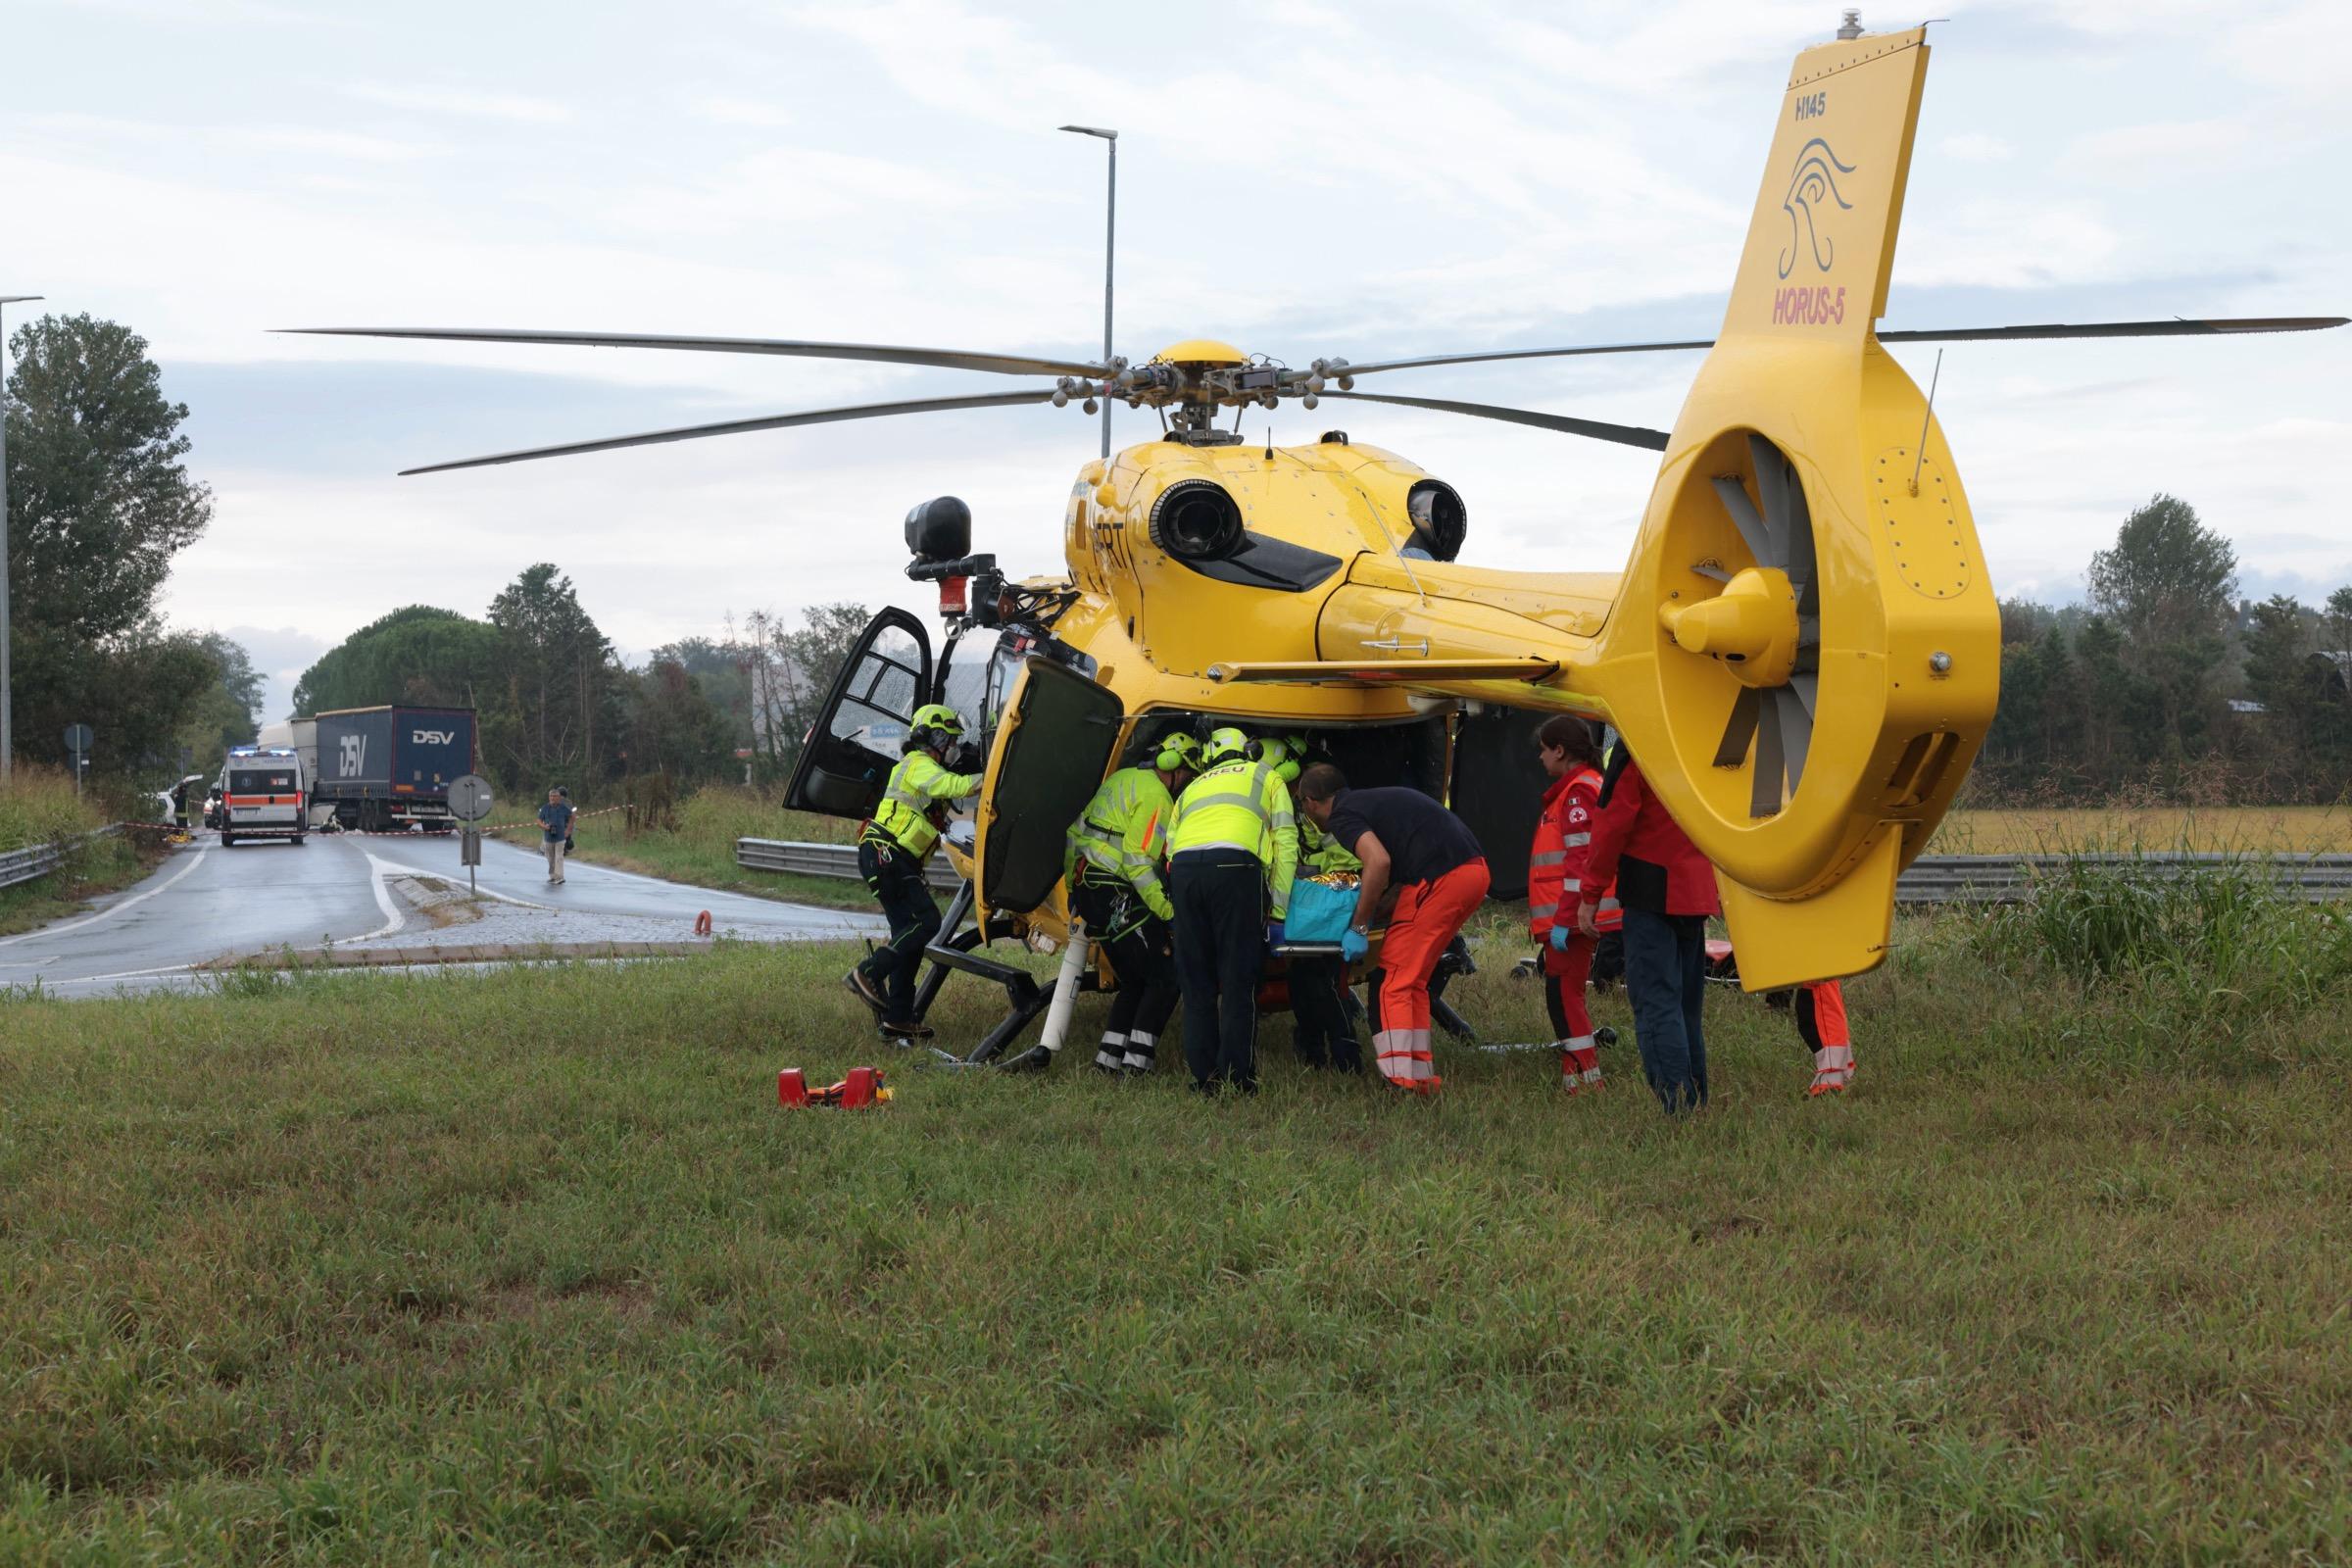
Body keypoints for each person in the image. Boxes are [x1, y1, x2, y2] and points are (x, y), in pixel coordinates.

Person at [1297, 764, 1489, 1097]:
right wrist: (1370, 913)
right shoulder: (1374, 803)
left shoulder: (1343, 816)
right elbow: (1397, 881)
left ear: (1310, 802)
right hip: (1472, 872)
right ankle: (1419, 1075)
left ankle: (1399, 1082)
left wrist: (1357, 925)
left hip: (1440, 878)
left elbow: (1379, 863)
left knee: (1391, 982)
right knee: (1412, 981)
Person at [1575, 743, 1718, 1114]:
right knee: (1686, 1007)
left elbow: (1611, 823)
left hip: (1652, 892)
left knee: (1656, 1003)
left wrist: (1590, 893)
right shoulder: (1702, 735)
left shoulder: (1640, 742)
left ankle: (1677, 1105)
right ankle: (1695, 1099)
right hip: (1696, 889)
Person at [1166, 727, 1298, 1094]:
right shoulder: (1266, 776)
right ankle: (1238, 1079)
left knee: (1196, 982)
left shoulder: (1192, 787)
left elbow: (1170, 846)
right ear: (1250, 751)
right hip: (1236, 870)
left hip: (1186, 872)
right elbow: (1286, 843)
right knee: (1239, 979)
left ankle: (1203, 1079)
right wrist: (1279, 913)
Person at [845, 704, 983, 1035]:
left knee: (909, 936)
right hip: (887, 853)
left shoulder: (921, 772)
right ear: (934, 737)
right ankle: (869, 972)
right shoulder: (917, 764)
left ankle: (898, 1019)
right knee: (927, 922)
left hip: (889, 857)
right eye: (950, 740)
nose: (953, 748)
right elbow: (955, 787)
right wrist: (994, 774)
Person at [1066, 731, 1200, 1074]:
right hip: (1116, 893)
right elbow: (1138, 861)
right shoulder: (1158, 798)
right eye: (1186, 774)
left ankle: (1108, 1061)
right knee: (1167, 976)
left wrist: (1072, 887)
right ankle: (1138, 1065)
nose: (1184, 781)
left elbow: (1074, 833)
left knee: (1135, 979)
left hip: (1087, 888)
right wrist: (1168, 912)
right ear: (1172, 766)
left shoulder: (1121, 778)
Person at [1267, 739, 1364, 1074]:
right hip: (1305, 907)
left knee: (1322, 982)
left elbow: (1346, 861)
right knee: (1301, 979)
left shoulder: (1321, 813)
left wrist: (1304, 873)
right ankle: (1312, 1051)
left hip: (1326, 907)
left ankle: (1345, 1056)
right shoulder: (1294, 809)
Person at [1530, 714, 1616, 1094]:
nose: (1540, 758)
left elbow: (1579, 859)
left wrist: (1566, 918)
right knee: (1565, 993)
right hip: (1575, 914)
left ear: (1559, 750)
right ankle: (1575, 1075)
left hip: (1572, 917)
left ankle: (1586, 1078)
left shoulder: (1579, 791)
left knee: (1565, 995)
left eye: (1543, 750)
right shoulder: (1587, 785)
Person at [1793, 979, 1854, 1096]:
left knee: (1823, 1012)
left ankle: (1831, 1081)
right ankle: (1832, 1077)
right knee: (1807, 1015)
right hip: (1812, 970)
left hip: (1821, 973)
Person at [536, 787, 574, 884]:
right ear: (549, 797)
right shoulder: (545, 808)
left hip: (560, 837)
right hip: (548, 838)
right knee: (550, 858)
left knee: (559, 857)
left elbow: (572, 817)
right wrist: (544, 826)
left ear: (559, 798)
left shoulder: (563, 807)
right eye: (551, 796)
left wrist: (569, 829)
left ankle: (560, 877)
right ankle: (553, 876)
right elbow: (538, 820)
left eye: (555, 796)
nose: (553, 798)